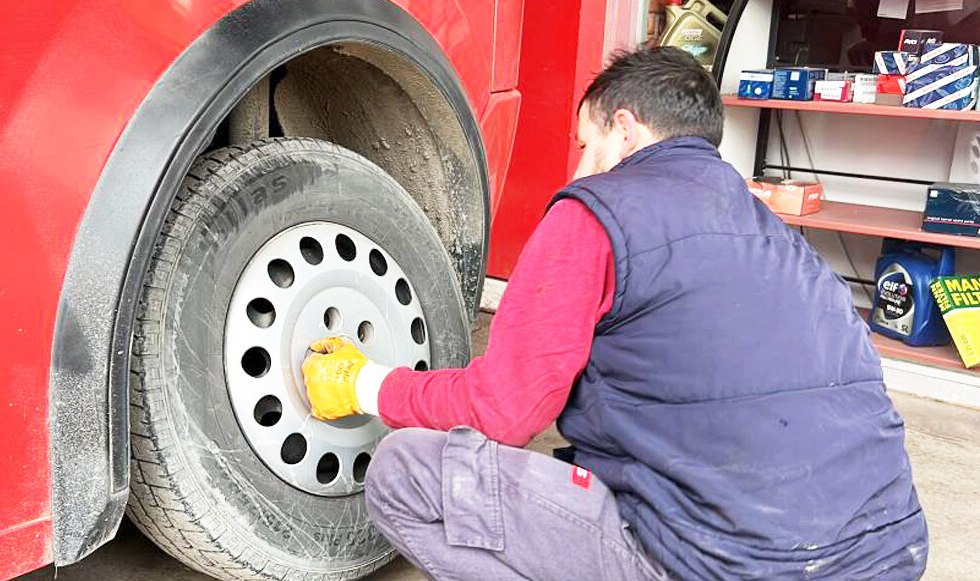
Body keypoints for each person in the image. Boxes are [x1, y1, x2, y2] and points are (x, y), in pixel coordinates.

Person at [300, 47, 928, 581]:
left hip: (728, 562)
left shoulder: (596, 212)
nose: (579, 167)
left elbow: (503, 413)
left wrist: (364, 383)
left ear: (623, 130)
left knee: (404, 470)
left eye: (586, 144)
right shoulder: (772, 232)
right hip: (886, 553)